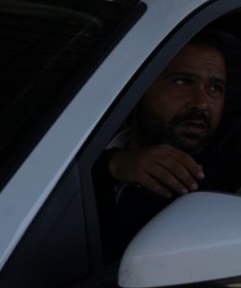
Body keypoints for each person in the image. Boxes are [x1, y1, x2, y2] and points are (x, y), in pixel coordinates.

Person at [95, 30, 230, 259]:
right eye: (182, 82)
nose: (201, 102)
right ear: (137, 88)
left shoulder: (231, 185)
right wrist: (111, 167)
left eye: (214, 88)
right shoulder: (81, 147)